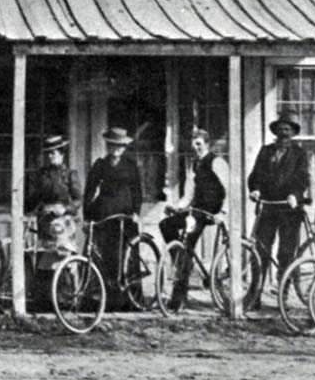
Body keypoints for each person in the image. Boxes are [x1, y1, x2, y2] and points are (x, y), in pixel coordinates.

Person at [158, 129, 228, 311]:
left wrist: (224, 212)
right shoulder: (194, 164)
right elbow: (189, 194)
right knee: (166, 224)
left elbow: (230, 189)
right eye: (193, 144)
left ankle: (178, 299)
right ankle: (180, 258)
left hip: (210, 212)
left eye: (199, 144)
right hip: (195, 210)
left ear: (207, 144)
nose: (196, 148)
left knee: (188, 244)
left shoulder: (217, 162)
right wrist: (177, 206)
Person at [247, 113, 310, 304]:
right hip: (267, 208)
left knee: (286, 253)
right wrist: (255, 190)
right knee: (260, 250)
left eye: (287, 130)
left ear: (292, 133)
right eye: (281, 129)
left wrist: (294, 195)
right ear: (276, 132)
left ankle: (282, 295)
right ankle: (255, 294)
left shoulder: (300, 154)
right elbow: (255, 175)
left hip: (289, 211)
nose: (283, 133)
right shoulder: (266, 151)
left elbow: (302, 178)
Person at [83, 127, 142, 308]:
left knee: (126, 257)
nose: (116, 149)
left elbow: (137, 191)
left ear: (124, 147)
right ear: (108, 146)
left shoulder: (130, 166)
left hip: (125, 214)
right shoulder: (100, 165)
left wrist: (136, 212)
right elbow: (89, 191)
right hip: (104, 213)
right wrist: (87, 216)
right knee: (104, 255)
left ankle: (128, 301)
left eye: (120, 146)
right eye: (113, 145)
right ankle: (103, 300)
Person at [25, 135, 82, 251]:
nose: (50, 157)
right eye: (48, 154)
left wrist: (65, 208)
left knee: (62, 257)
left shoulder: (70, 174)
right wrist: (28, 210)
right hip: (45, 221)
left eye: (53, 153)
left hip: (63, 222)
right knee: (43, 258)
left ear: (61, 154)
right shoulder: (42, 175)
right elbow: (35, 197)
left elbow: (78, 200)